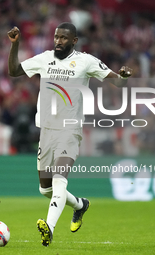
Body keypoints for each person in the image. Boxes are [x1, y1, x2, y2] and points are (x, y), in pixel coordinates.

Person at [7, 22, 132, 246]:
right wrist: (15, 45)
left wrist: (122, 77)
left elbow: (117, 82)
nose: (58, 41)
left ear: (74, 41)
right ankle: (80, 205)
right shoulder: (45, 58)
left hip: (69, 130)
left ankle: (49, 229)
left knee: (59, 181)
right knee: (45, 189)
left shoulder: (86, 61)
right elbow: (14, 70)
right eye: (56, 37)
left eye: (64, 38)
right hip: (46, 131)